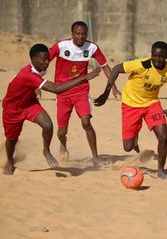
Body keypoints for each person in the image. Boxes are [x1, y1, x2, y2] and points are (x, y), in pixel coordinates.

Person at [2, 43, 101, 175]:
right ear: (33, 59)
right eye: (43, 59)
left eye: (48, 59)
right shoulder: (28, 73)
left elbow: (32, 81)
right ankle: (9, 162)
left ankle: (46, 150)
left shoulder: (40, 69)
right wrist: (84, 77)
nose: (47, 62)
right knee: (12, 139)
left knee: (48, 125)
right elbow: (56, 89)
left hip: (30, 103)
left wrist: (36, 89)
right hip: (12, 109)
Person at [94, 41, 167, 179]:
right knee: (128, 147)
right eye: (155, 56)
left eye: (162, 57)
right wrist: (106, 92)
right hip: (130, 105)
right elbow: (116, 68)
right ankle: (135, 139)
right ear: (151, 54)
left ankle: (161, 171)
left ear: (166, 56)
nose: (158, 59)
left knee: (163, 137)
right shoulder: (141, 64)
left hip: (151, 104)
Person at [49, 21, 120, 163]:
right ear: (72, 34)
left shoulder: (92, 47)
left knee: (86, 121)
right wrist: (37, 83)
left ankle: (95, 157)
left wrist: (114, 88)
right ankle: (63, 145)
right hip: (62, 92)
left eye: (83, 34)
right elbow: (44, 62)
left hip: (81, 91)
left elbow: (105, 67)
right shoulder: (60, 46)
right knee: (62, 131)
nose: (81, 36)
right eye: (78, 34)